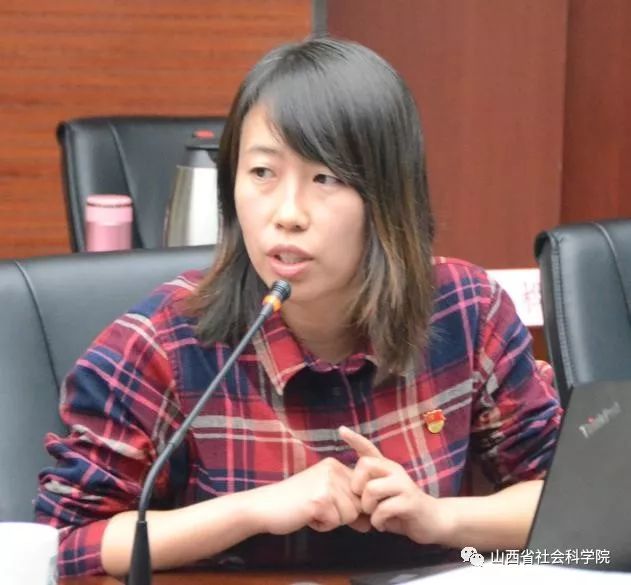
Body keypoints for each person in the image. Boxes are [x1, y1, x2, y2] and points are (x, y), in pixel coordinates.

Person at [35, 37, 562, 578]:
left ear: (388, 197)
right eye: (262, 173)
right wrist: (250, 511)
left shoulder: (465, 310)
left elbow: (570, 501)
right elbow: (65, 543)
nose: (287, 214)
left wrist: (438, 518)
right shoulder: (163, 342)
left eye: (325, 178)